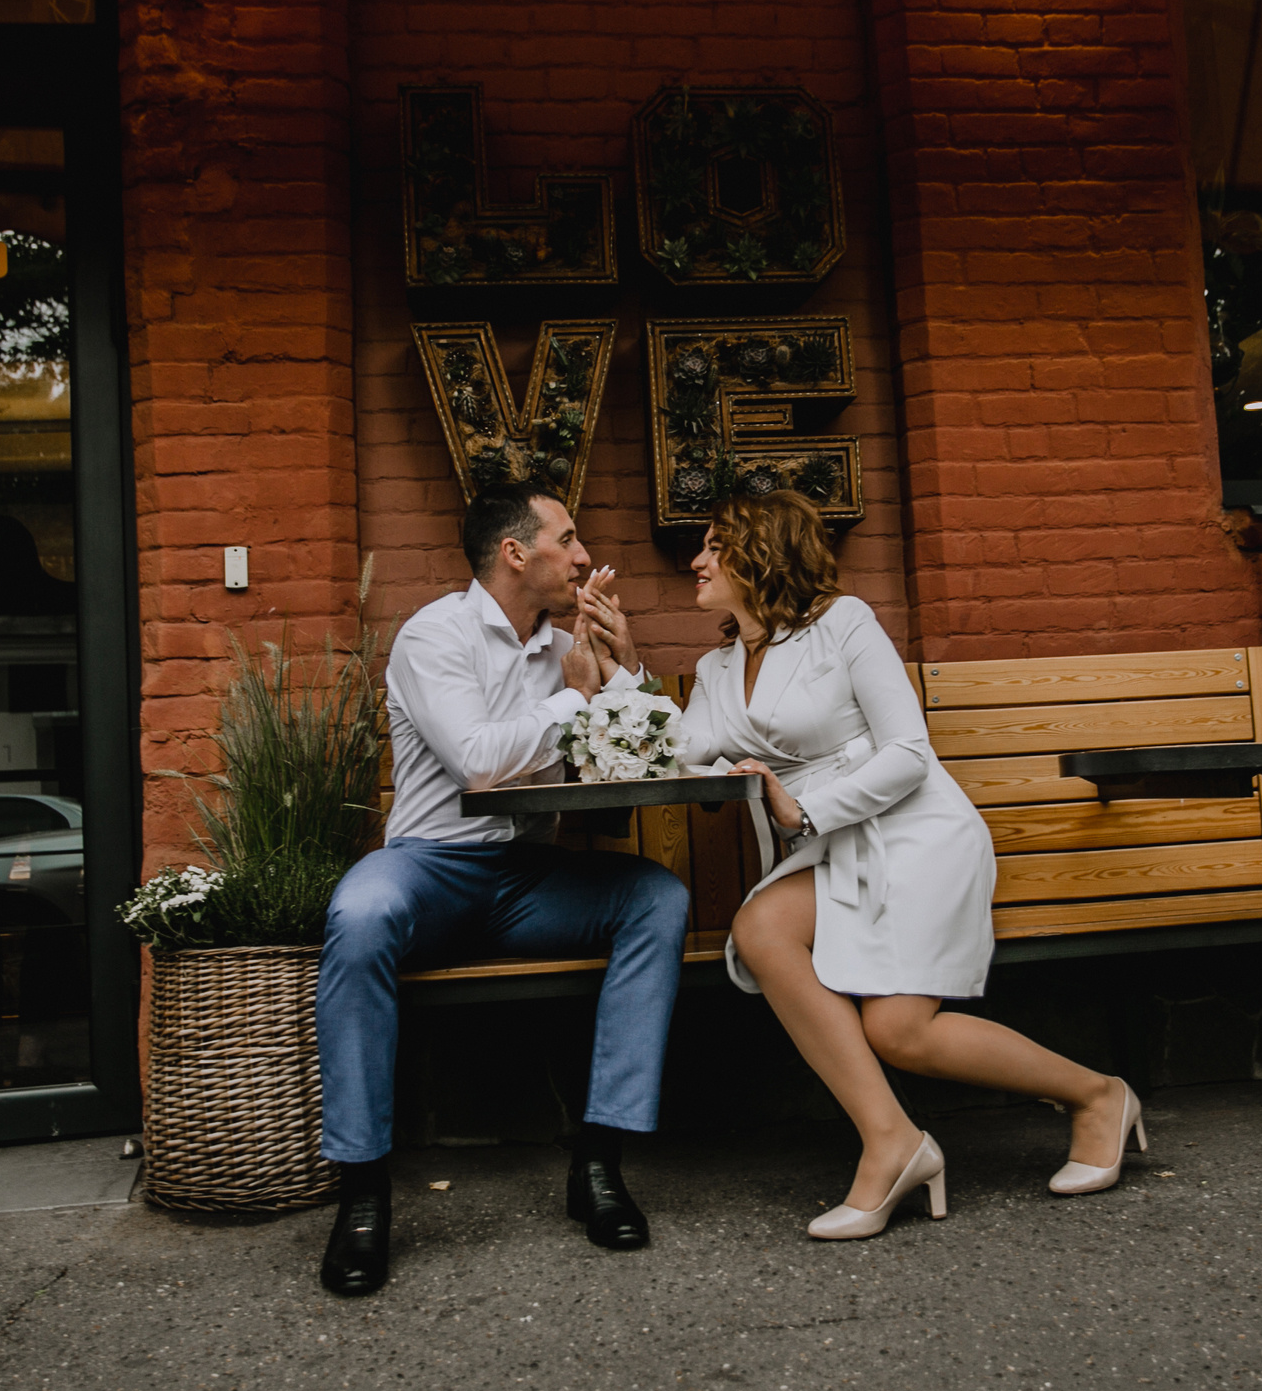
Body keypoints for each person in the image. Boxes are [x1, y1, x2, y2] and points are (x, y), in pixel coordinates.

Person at [683, 491, 1145, 1240]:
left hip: (914, 831)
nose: (696, 560)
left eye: (712, 545)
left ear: (759, 551)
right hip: (835, 849)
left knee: (902, 1032)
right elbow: (686, 752)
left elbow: (908, 753)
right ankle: (892, 1140)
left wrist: (806, 810)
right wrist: (616, 674)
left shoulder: (843, 625)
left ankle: (1099, 1096)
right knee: (763, 927)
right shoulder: (716, 664)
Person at [315, 482, 693, 1297]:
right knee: (359, 911)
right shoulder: (435, 636)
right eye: (570, 537)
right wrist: (576, 693)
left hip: (529, 880)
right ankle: (362, 1194)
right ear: (517, 552)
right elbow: (480, 761)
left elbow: (647, 751)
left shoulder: (566, 644)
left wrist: (625, 663)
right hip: (428, 869)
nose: (587, 555)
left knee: (655, 898)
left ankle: (598, 1160)